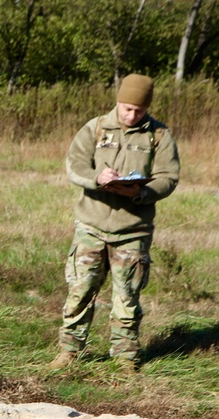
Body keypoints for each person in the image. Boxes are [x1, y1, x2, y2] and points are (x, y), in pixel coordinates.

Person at [48, 74, 181, 373]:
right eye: (127, 108)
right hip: (91, 227)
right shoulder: (95, 128)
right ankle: (68, 352)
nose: (132, 115)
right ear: (118, 101)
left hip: (133, 230)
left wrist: (142, 193)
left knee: (127, 297)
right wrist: (98, 177)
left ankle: (125, 358)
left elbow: (169, 177)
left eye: (139, 110)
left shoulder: (159, 136)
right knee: (80, 291)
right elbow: (75, 165)